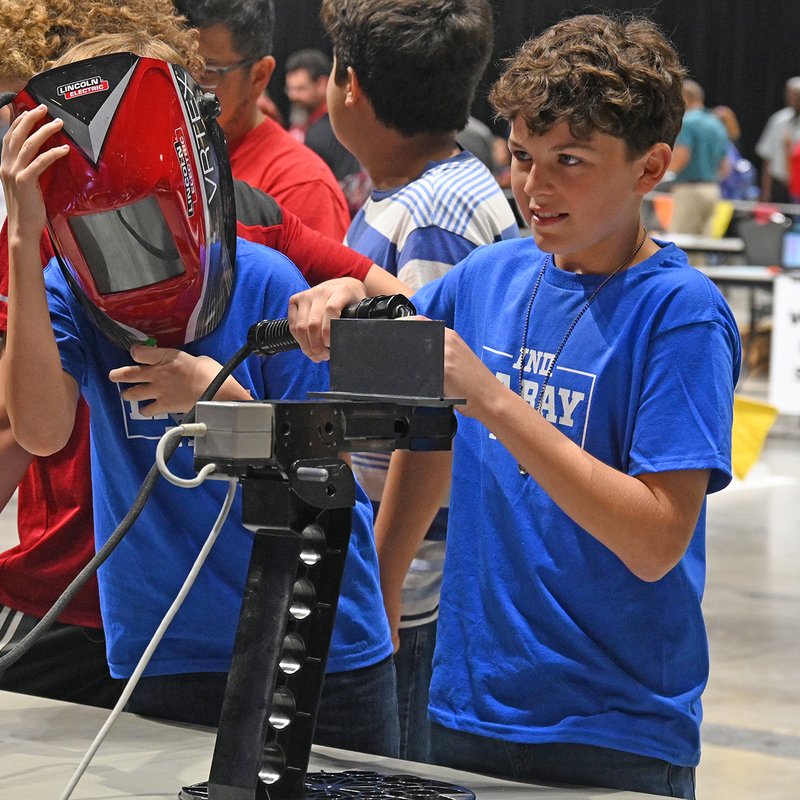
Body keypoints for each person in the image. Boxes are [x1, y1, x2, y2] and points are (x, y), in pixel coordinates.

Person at [0, 5, 406, 714]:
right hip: (143, 612)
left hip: (279, 620)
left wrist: (354, 295)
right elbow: (22, 425)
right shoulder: (53, 259)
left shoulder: (260, 247)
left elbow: (368, 403)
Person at [292, 14, 739, 798]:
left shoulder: (679, 313)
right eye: (525, 158)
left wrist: (495, 402)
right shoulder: (493, 276)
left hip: (611, 727)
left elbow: (657, 540)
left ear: (650, 167)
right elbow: (419, 376)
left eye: (570, 161)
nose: (536, 187)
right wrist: (347, 293)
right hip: (468, 703)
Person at [0, 38, 397, 755]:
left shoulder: (270, 283)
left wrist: (213, 401)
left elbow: (323, 477)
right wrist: (26, 235)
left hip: (313, 642)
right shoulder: (68, 293)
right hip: (165, 644)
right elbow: (38, 430)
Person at [316, 0, 517, 763]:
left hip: (411, 579)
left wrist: (387, 577)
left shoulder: (431, 218)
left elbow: (431, 419)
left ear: (350, 85)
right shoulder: (422, 194)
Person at [176, 0, 351, 240]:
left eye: (207, 72)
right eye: (177, 68)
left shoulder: (301, 186)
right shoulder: (169, 153)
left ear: (259, 76)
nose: (184, 88)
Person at [284, 48, 370, 214]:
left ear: (322, 84)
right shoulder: (306, 126)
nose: (293, 96)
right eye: (290, 89)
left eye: (301, 89)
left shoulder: (332, 129)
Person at [668, 79, 728, 235]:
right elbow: (726, 166)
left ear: (685, 98)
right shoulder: (717, 124)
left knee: (681, 241)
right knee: (704, 246)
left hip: (690, 190)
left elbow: (682, 157)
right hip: (712, 190)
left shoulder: (687, 122)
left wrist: (661, 172)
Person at [754, 76, 800, 204]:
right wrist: (766, 191)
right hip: (779, 183)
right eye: (792, 94)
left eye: (798, 95)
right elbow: (767, 157)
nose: (796, 98)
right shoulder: (779, 120)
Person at [712, 105, 758, 201]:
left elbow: (725, 170)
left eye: (723, 122)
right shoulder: (723, 145)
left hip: (727, 192)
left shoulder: (727, 146)